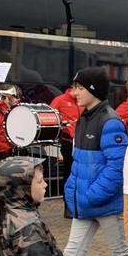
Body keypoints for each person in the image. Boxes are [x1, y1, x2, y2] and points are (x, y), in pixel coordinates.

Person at [63, 66, 128, 256]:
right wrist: (74, 190)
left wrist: (92, 194)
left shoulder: (110, 121)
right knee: (71, 255)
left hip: (103, 204)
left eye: (79, 88)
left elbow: (117, 166)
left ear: (93, 90)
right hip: (88, 203)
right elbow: (79, 163)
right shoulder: (85, 117)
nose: (74, 93)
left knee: (122, 254)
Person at [50, 84, 83, 216]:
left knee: (81, 174)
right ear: (73, 88)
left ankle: (79, 204)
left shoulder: (83, 100)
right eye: (79, 88)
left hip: (81, 142)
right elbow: (50, 116)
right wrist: (65, 124)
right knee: (69, 173)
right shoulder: (60, 100)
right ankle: (68, 206)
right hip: (68, 142)